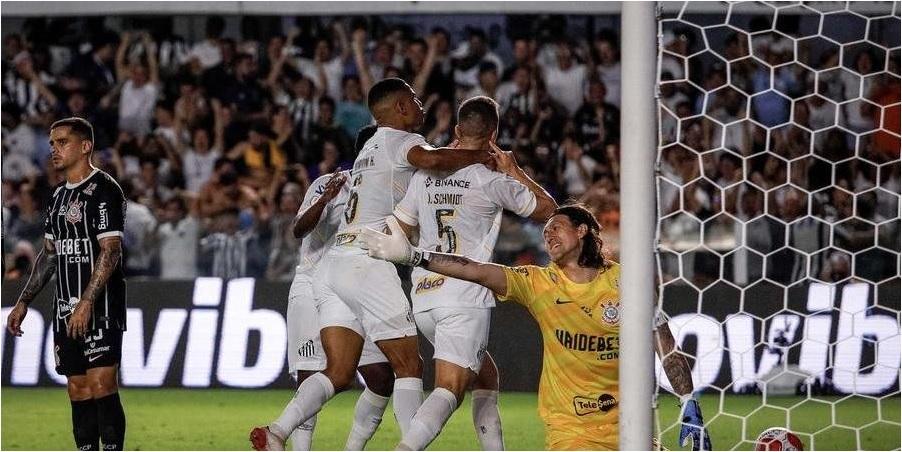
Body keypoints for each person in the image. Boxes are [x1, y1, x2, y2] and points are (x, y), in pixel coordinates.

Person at [250, 77, 494, 450]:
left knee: (338, 371)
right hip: (367, 261)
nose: (421, 105)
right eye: (414, 99)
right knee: (409, 367)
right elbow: (432, 159)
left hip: (334, 266)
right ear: (399, 108)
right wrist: (483, 155)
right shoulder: (402, 140)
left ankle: (278, 431)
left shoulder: (368, 151)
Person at [361, 204, 712, 451]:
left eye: (556, 228)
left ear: (582, 230)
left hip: (631, 428)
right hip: (572, 431)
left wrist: (688, 401)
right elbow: (474, 269)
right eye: (545, 233)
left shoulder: (628, 281)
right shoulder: (538, 283)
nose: (549, 237)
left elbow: (664, 344)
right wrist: (414, 256)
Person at [390, 96, 558, 450]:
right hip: (463, 297)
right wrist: (514, 170)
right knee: (449, 388)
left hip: (424, 296)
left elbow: (401, 229)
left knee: (486, 375)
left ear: (456, 130)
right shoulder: (489, 179)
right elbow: (549, 211)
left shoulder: (424, 175)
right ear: (493, 135)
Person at [6, 117, 128, 450]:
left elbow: (111, 251)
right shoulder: (58, 196)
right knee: (77, 387)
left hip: (100, 307)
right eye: (52, 144)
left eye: (62, 142)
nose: (54, 150)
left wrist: (87, 302)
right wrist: (24, 301)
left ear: (85, 146)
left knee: (102, 382)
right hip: (65, 308)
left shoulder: (105, 189)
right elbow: (49, 256)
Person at [273, 126, 396, 451]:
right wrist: (326, 198)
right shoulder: (332, 182)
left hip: (354, 290)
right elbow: (299, 229)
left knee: (382, 377)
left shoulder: (388, 191)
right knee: (309, 376)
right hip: (312, 286)